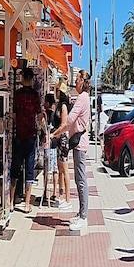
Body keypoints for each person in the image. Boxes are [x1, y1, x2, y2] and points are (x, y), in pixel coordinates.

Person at [54, 70, 93, 233]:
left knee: (81, 180)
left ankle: (83, 217)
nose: (75, 83)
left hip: (80, 143)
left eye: (77, 80)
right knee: (78, 179)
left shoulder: (83, 98)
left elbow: (69, 120)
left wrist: (55, 133)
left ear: (83, 82)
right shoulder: (83, 97)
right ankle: (81, 213)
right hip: (78, 142)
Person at [12, 66, 41, 211]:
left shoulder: (17, 94)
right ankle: (27, 203)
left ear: (23, 78)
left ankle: (10, 201)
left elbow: (14, 114)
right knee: (29, 170)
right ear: (32, 79)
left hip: (19, 134)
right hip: (31, 135)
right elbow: (39, 115)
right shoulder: (35, 95)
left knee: (15, 168)